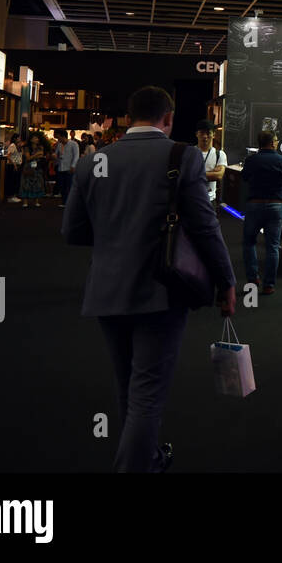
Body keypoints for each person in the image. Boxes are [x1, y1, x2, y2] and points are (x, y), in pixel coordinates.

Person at [63, 85, 236, 472]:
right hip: (162, 289)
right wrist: (226, 281)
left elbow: (72, 231)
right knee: (147, 394)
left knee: (129, 387)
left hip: (107, 289)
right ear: (169, 118)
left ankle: (150, 456)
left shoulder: (95, 161)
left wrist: (115, 236)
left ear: (128, 117)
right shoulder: (182, 156)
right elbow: (205, 228)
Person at [240, 130, 282, 295]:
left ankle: (252, 277)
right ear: (273, 142)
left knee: (249, 243)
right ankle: (269, 284)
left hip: (254, 205)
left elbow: (245, 177)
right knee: (273, 246)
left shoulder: (251, 160)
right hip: (276, 206)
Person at [195, 122, 227, 209]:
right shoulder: (190, 152)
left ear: (213, 135)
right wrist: (211, 172)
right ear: (197, 134)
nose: (205, 136)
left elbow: (219, 176)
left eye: (208, 133)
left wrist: (196, 174)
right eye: (202, 133)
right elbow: (186, 175)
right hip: (193, 198)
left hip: (210, 200)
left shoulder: (220, 154)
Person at [20, 134, 47, 207]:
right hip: (28, 167)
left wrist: (34, 155)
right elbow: (28, 158)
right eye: (35, 138)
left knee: (37, 183)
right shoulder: (26, 148)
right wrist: (36, 154)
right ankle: (25, 202)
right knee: (26, 184)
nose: (37, 139)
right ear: (31, 140)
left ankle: (36, 201)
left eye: (37, 138)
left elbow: (41, 155)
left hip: (37, 167)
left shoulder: (40, 147)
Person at [55, 129, 80, 208]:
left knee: (69, 186)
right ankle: (64, 201)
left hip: (69, 168)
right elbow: (57, 154)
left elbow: (76, 155)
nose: (58, 139)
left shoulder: (74, 144)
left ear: (63, 136)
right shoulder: (59, 145)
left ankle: (70, 203)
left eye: (58, 137)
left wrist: (73, 166)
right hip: (61, 167)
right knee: (62, 186)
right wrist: (55, 157)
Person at [4, 135, 23, 203]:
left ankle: (14, 195)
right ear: (15, 139)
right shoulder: (12, 145)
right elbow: (8, 155)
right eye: (18, 138)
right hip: (12, 165)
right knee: (12, 181)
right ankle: (11, 196)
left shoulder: (18, 146)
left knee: (16, 181)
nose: (20, 139)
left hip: (17, 164)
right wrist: (14, 164)